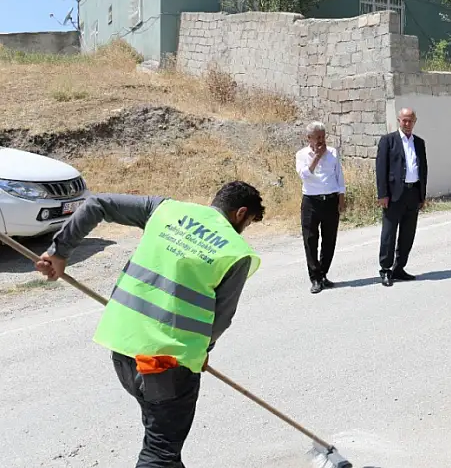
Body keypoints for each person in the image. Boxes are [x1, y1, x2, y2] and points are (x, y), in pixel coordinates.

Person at [35, 181, 266, 468]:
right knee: (160, 455)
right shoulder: (236, 251)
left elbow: (98, 204)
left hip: (123, 350)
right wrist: (202, 350)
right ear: (240, 214)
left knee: (163, 442)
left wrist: (59, 251)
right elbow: (222, 318)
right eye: (250, 223)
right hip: (166, 366)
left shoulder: (166, 210)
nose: (245, 230)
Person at [375, 107, 427, 287]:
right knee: (389, 234)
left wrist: (422, 195)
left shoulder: (419, 142)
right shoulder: (388, 141)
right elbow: (381, 170)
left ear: (415, 122)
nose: (407, 123)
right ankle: (386, 269)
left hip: (413, 194)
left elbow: (423, 169)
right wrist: (382, 194)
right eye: (404, 120)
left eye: (410, 120)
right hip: (394, 195)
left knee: (408, 234)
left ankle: (399, 267)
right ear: (399, 120)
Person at [295, 121, 346, 294]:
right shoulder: (302, 155)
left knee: (329, 239)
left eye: (323, 137)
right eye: (317, 138)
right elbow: (304, 176)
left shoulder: (333, 152)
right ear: (309, 138)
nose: (321, 141)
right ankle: (315, 278)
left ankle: (323, 273)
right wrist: (316, 156)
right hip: (311, 201)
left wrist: (341, 198)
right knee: (310, 240)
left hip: (330, 200)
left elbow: (339, 176)